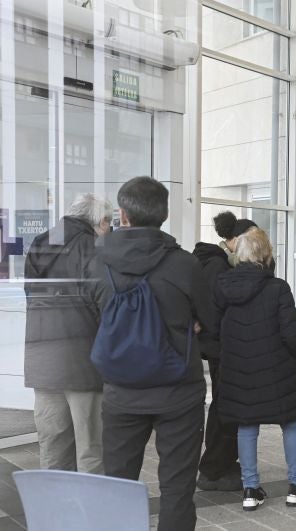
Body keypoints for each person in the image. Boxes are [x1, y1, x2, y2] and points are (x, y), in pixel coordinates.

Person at [87, 176, 218, 531]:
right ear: (165, 214)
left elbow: (95, 318)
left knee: (119, 485)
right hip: (179, 392)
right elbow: (211, 321)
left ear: (123, 215)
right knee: (177, 488)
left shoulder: (98, 264)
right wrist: (190, 324)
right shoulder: (185, 264)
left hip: (121, 392)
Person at [213, 227, 296, 511]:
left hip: (238, 370)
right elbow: (292, 333)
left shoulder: (224, 288)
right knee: (290, 423)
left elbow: (216, 330)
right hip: (276, 370)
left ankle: (250, 489)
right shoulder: (277, 289)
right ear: (266, 255)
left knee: (246, 425)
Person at [24, 193, 112, 474]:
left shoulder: (40, 242)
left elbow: (31, 294)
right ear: (100, 221)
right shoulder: (94, 248)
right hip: (82, 362)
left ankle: (54, 500)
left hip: (41, 358)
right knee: (90, 447)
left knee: (52, 444)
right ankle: (90, 502)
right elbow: (105, 305)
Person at [192, 211, 258, 492]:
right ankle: (213, 470)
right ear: (237, 240)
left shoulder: (216, 262)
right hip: (223, 348)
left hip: (220, 346)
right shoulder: (218, 266)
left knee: (224, 406)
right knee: (224, 409)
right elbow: (214, 310)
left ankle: (221, 465)